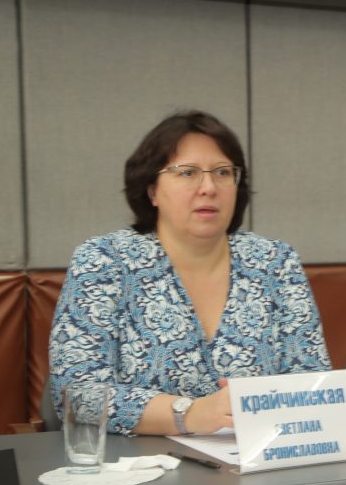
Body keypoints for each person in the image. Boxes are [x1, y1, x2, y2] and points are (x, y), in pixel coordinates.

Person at [49, 110, 331, 435]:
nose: (209, 187)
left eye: (222, 172)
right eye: (187, 173)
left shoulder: (275, 262)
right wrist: (189, 413)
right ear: (152, 190)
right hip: (139, 461)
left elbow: (313, 384)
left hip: (256, 457)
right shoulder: (105, 261)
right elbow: (78, 395)